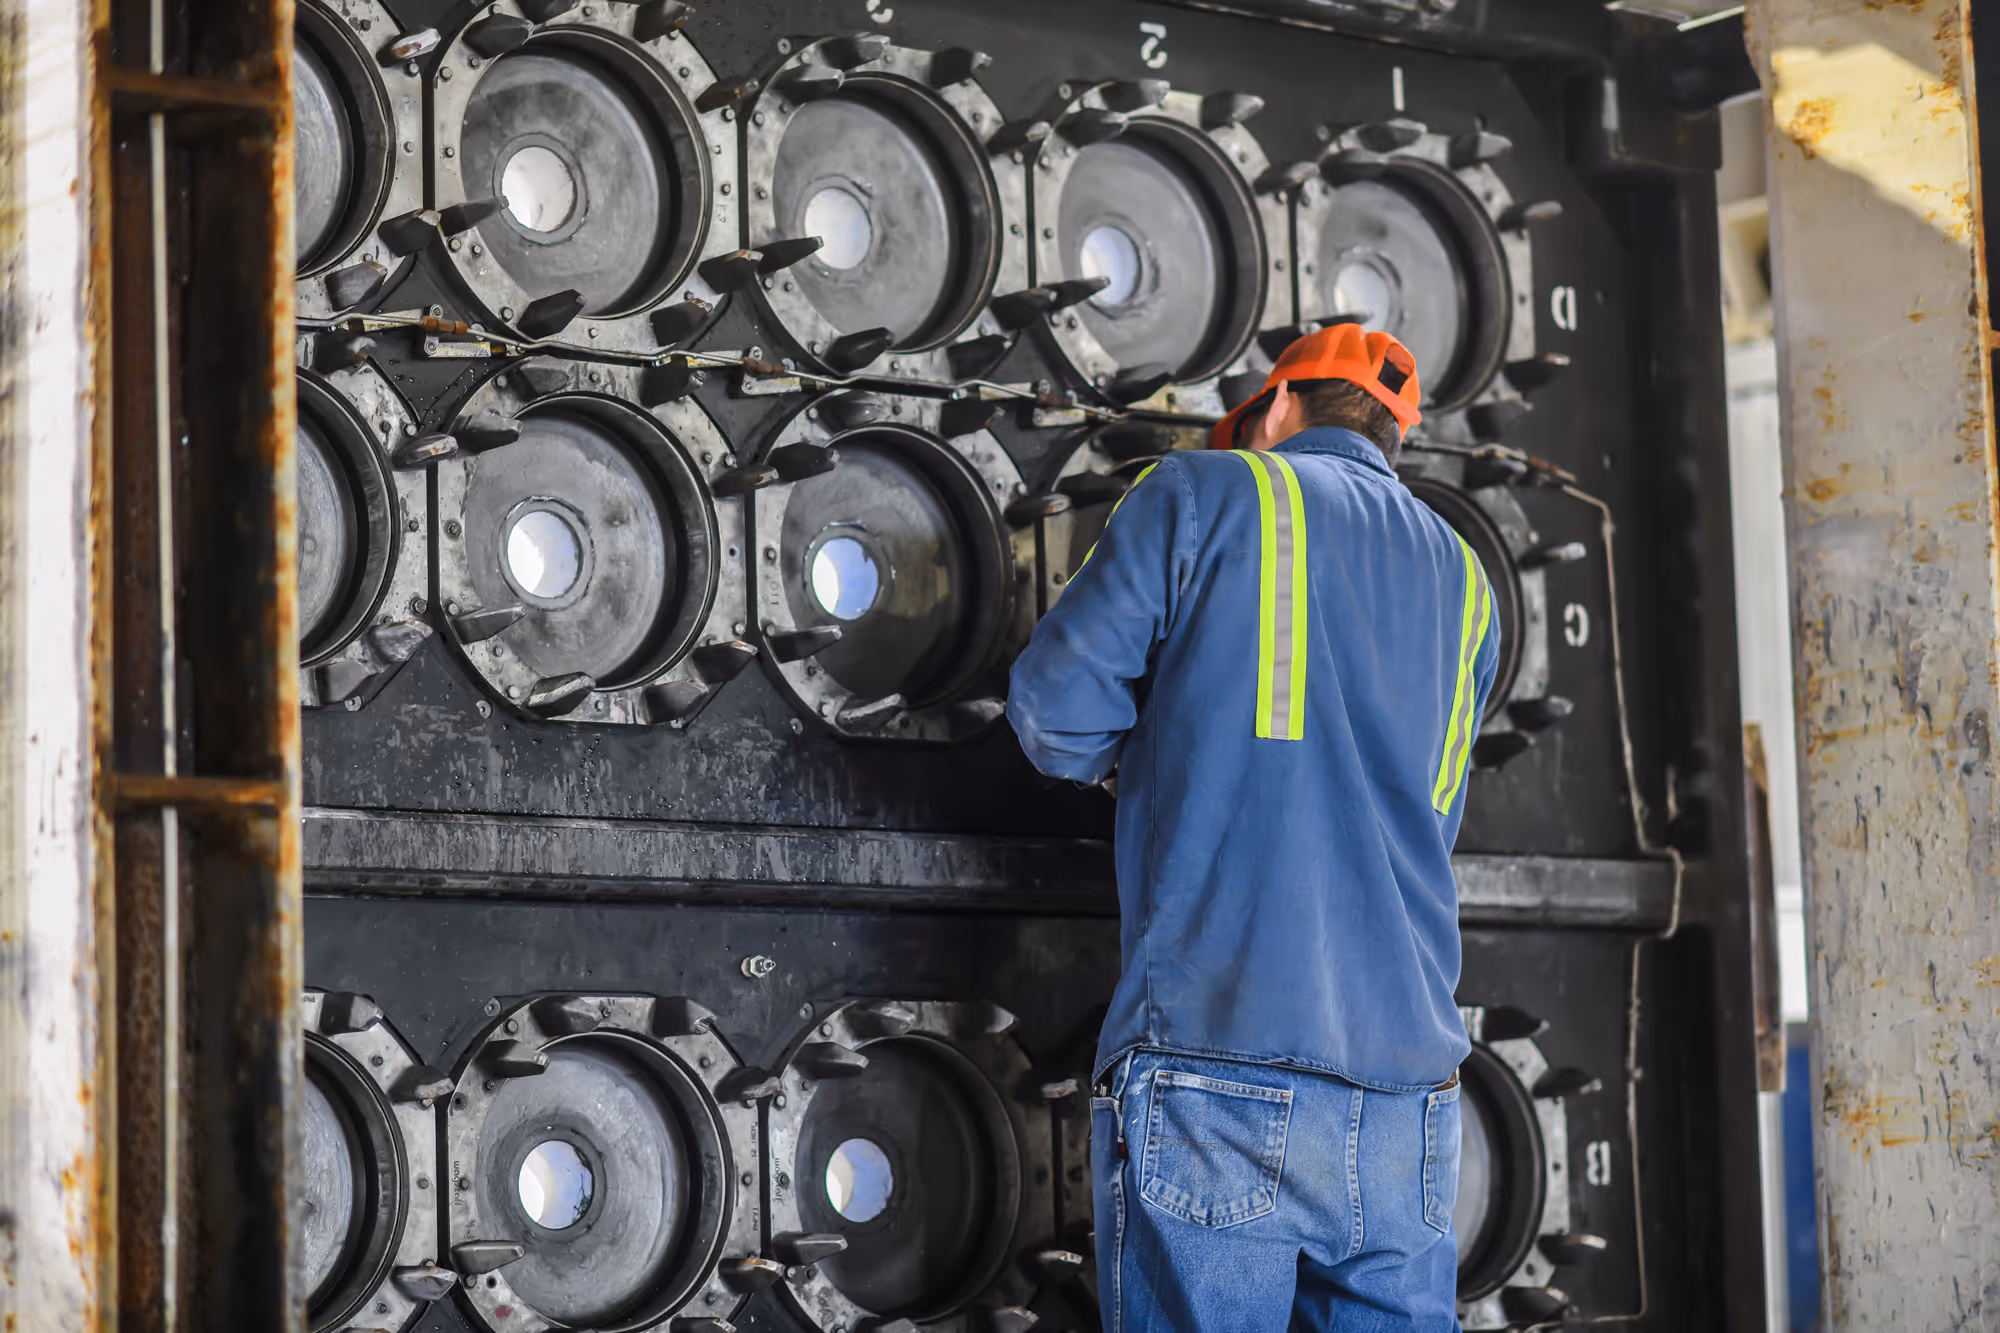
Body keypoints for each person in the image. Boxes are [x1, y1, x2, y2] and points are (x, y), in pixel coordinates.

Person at [1006, 323, 1499, 1331]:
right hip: (1409, 1091)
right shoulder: (1467, 584)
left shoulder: (1201, 493)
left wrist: (1152, 770)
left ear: (1276, 409)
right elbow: (1432, 812)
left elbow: (1053, 714)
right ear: (1391, 439)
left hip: (1220, 1062)